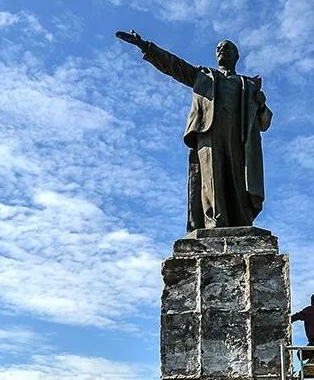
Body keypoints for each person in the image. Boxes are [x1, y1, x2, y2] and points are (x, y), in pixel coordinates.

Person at [116, 29, 273, 231]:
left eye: (226, 47)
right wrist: (146, 47)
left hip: (239, 135)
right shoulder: (203, 75)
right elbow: (174, 65)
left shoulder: (248, 85)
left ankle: (241, 222)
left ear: (236, 56)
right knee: (211, 177)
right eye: (218, 48)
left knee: (237, 178)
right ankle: (215, 224)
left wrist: (260, 104)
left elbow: (265, 123)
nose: (221, 50)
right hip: (209, 132)